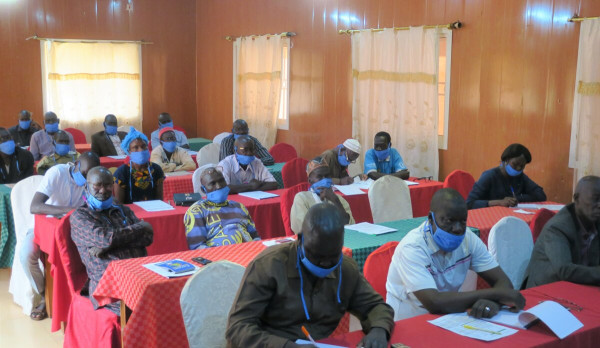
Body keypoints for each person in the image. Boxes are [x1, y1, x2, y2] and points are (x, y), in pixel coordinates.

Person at [226, 203, 394, 348]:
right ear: (300, 239)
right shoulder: (269, 265)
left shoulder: (345, 269)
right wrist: (285, 346)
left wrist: (379, 329)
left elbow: (376, 307)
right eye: (318, 256)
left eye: (332, 256)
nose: (325, 264)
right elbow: (238, 328)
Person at [386, 188, 525, 320]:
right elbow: (434, 302)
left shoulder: (468, 239)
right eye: (449, 221)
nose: (458, 229)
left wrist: (494, 303)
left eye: (463, 221)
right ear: (430, 218)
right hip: (410, 320)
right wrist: (497, 294)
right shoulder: (413, 247)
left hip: (449, 317)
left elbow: (503, 282)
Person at [27, 152, 100, 320]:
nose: (86, 179)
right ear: (75, 164)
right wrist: (68, 210)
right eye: (84, 174)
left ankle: (81, 296)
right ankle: (44, 294)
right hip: (44, 226)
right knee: (27, 256)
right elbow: (35, 206)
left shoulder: (92, 180)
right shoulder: (57, 173)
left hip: (75, 229)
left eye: (90, 176)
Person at [71, 166, 153, 315]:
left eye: (108, 185)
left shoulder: (123, 210)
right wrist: (141, 226)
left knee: (169, 295)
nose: (103, 191)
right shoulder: (80, 216)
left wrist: (108, 247)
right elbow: (105, 238)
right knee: (147, 307)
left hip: (139, 275)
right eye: (97, 185)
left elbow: (148, 237)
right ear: (86, 186)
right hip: (109, 286)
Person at [525, 176, 600, 288]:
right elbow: (565, 270)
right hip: (548, 289)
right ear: (576, 199)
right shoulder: (557, 227)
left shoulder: (595, 221)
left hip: (581, 285)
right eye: (595, 199)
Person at [184, 167, 259, 249]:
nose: (219, 186)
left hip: (250, 252)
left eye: (221, 181)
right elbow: (197, 247)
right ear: (203, 189)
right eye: (212, 184)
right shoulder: (197, 211)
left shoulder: (239, 207)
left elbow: (255, 236)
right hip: (219, 258)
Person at [466, 143, 546, 209]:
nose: (518, 168)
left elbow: (540, 195)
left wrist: (515, 199)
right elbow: (470, 203)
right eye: (515, 164)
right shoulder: (489, 176)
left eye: (522, 166)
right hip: (487, 217)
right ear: (506, 160)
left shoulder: (520, 177)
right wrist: (499, 202)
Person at [290, 156, 355, 234]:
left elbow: (349, 225)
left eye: (327, 176)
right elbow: (304, 229)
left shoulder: (338, 199)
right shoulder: (302, 198)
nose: (324, 180)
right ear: (310, 180)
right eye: (319, 177)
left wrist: (335, 200)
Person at [114, 127, 165, 204]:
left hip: (153, 211)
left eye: (143, 146)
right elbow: (119, 204)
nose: (141, 150)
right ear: (129, 151)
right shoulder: (122, 172)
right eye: (135, 147)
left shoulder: (156, 169)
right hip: (130, 214)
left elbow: (159, 200)